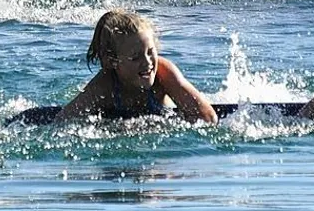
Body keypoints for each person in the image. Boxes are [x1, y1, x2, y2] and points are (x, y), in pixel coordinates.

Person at [55, 9, 217, 124]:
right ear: (113, 62)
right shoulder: (104, 86)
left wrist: (155, 128)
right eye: (135, 57)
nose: (147, 62)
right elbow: (62, 121)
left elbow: (208, 118)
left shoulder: (164, 74)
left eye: (150, 52)